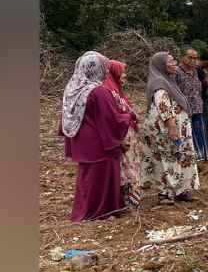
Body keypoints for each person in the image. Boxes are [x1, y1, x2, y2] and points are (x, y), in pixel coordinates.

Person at [60, 51, 134, 222]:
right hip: (99, 142)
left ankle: (85, 209)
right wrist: (129, 116)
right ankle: (100, 211)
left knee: (87, 177)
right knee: (101, 177)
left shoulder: (73, 89)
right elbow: (111, 119)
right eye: (104, 68)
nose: (107, 72)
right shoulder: (99, 92)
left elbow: (65, 117)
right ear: (96, 69)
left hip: (81, 141)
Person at [141, 51, 200, 205]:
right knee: (167, 159)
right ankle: (166, 193)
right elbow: (164, 107)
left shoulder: (169, 81)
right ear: (161, 65)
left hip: (175, 129)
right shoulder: (160, 84)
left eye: (174, 60)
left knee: (179, 157)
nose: (174, 63)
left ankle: (181, 190)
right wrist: (173, 127)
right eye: (170, 61)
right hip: (167, 130)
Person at [102, 59, 143, 208]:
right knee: (126, 169)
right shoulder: (109, 91)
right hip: (122, 136)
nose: (125, 75)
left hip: (127, 133)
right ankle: (127, 201)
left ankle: (131, 199)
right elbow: (113, 117)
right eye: (122, 72)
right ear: (114, 72)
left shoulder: (117, 90)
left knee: (129, 167)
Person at [177, 47, 208, 162]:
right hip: (184, 109)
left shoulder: (195, 71)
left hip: (197, 107)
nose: (193, 60)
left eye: (195, 58)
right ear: (183, 57)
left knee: (200, 132)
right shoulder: (177, 72)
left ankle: (203, 156)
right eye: (190, 57)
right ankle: (191, 158)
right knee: (188, 135)